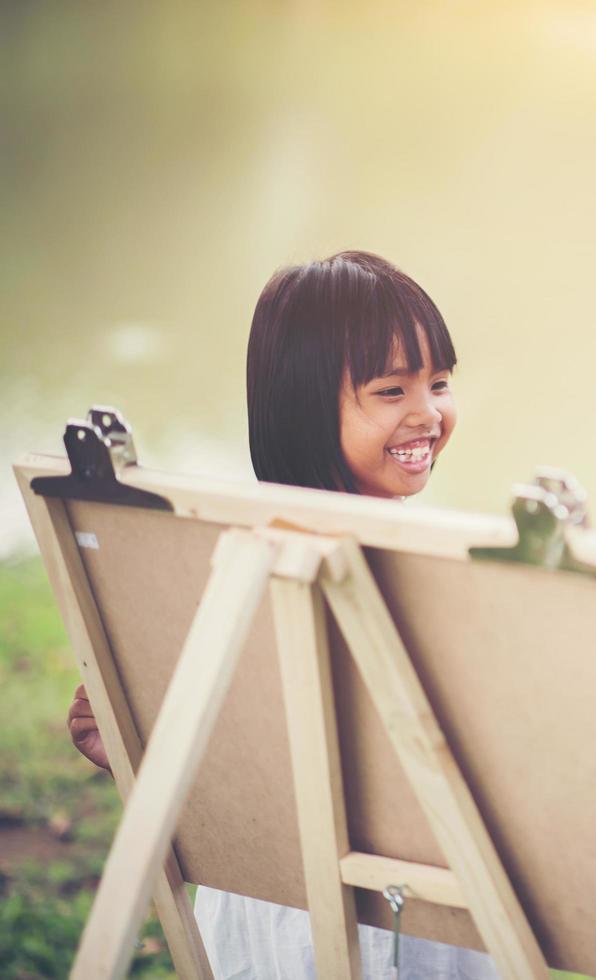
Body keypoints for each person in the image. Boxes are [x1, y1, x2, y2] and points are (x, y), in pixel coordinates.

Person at [66, 250, 495, 979]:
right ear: (303, 407)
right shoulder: (417, 570)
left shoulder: (220, 552)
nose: (428, 413)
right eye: (391, 389)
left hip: (274, 912)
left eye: (441, 382)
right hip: (371, 916)